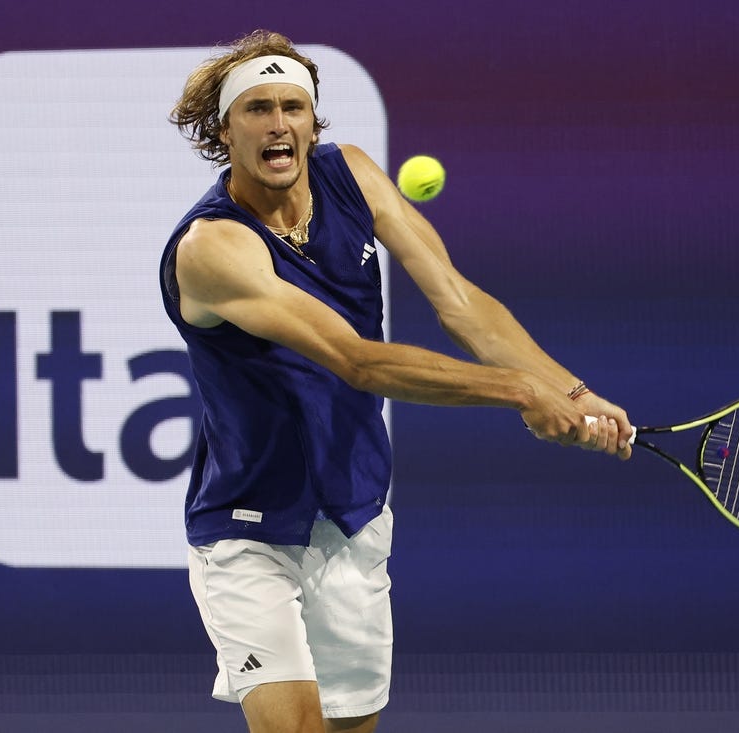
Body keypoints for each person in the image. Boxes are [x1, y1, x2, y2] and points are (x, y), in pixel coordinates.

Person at [160, 29, 633, 733]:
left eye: (294, 105)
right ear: (224, 130)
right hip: (248, 526)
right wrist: (516, 390)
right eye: (257, 108)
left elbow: (459, 299)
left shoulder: (350, 173)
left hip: (353, 511)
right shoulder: (213, 247)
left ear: (312, 122)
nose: (279, 122)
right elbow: (357, 360)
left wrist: (568, 389)